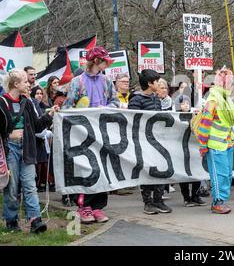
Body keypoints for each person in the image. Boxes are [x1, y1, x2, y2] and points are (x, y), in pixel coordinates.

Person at [63, 46, 119, 223]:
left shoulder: (107, 81)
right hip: (82, 135)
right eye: (104, 61)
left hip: (102, 133)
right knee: (87, 168)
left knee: (102, 167)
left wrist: (104, 109)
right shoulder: (77, 82)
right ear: (96, 61)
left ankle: (97, 207)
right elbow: (67, 106)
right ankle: (83, 206)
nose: (107, 64)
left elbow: (115, 102)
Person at [0, 69, 59, 233]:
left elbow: (38, 126)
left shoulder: (27, 102)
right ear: (16, 84)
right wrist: (7, 133)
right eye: (25, 81)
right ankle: (11, 220)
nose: (29, 84)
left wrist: (50, 114)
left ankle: (35, 219)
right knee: (11, 187)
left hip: (27, 148)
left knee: (30, 185)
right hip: (9, 149)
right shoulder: (1, 102)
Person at [196, 67, 234, 214]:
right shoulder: (213, 99)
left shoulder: (226, 99)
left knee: (227, 174)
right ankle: (217, 202)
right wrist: (203, 145)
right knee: (219, 175)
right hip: (216, 145)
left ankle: (222, 200)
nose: (232, 85)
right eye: (229, 82)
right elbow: (204, 124)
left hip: (227, 143)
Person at [128, 69, 173, 214]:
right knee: (147, 171)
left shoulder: (156, 98)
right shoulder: (136, 99)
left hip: (157, 140)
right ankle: (148, 202)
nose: (158, 84)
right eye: (156, 81)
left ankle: (158, 200)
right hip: (143, 141)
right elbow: (132, 120)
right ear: (149, 83)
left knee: (161, 168)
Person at [175, 95, 206, 207]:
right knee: (184, 175)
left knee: (196, 172)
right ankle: (186, 197)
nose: (186, 105)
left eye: (187, 103)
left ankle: (195, 196)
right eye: (183, 103)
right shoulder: (175, 117)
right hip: (181, 150)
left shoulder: (195, 115)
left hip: (193, 149)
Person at [30, 86, 54, 193]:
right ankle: (37, 184)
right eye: (37, 93)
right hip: (36, 141)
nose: (39, 95)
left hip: (42, 141)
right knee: (37, 165)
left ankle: (41, 184)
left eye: (40, 93)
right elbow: (37, 126)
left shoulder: (41, 106)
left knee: (42, 163)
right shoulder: (33, 106)